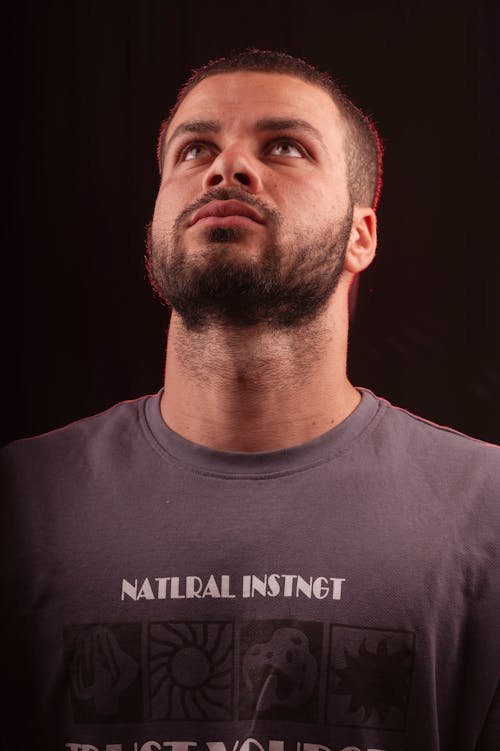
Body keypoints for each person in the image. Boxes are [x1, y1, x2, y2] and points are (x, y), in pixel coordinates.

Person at [2, 49, 499, 751]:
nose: (225, 167)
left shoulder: (487, 511)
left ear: (362, 235)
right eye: (195, 147)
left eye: (284, 146)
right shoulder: (21, 500)